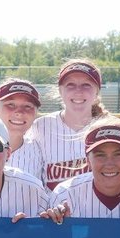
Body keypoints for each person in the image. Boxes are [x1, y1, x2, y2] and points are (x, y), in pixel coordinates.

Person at [31, 59, 111, 190]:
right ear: (60, 91)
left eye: (86, 85)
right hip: (52, 203)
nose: (78, 91)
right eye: (70, 85)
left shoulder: (111, 127)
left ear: (97, 91)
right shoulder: (41, 127)